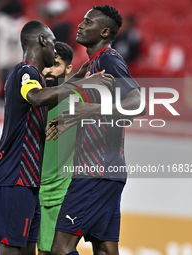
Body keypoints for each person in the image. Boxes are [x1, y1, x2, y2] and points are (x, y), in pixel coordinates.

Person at [0, 20, 115, 255]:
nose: (55, 50)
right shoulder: (25, 71)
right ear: (42, 41)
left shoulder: (36, 77)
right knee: (9, 250)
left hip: (29, 180)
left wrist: (76, 78)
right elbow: (36, 97)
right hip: (15, 175)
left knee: (27, 251)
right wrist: (83, 84)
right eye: (53, 44)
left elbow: (51, 94)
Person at [46, 5, 145, 255]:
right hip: (109, 170)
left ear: (103, 32)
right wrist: (77, 118)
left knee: (59, 248)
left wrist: (88, 111)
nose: (80, 25)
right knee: (105, 248)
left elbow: (137, 103)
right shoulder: (92, 65)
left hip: (95, 171)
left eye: (88, 22)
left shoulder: (108, 59)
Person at [38, 41, 75, 255]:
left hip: (61, 192)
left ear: (69, 69)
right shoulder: (33, 98)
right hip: (31, 188)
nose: (49, 70)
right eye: (47, 65)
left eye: (56, 65)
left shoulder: (77, 101)